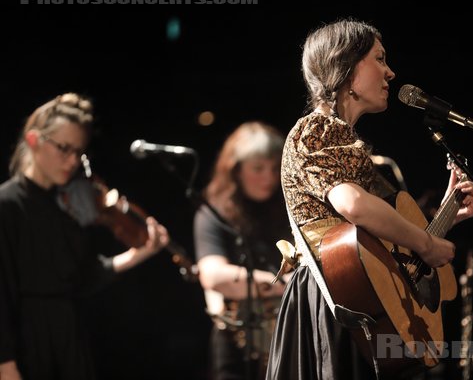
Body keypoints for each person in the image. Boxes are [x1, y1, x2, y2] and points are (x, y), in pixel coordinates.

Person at [265, 18, 473, 380]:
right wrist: (426, 242)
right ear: (345, 66)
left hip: (353, 298)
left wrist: (448, 215)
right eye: (379, 59)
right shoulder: (317, 130)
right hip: (331, 299)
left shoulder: (347, 143)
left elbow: (379, 247)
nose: (390, 72)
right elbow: (354, 206)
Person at [0, 92, 170, 380]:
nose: (72, 161)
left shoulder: (65, 205)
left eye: (79, 152)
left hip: (71, 337)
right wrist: (5, 364)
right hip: (29, 342)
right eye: (63, 148)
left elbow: (81, 278)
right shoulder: (7, 203)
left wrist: (138, 254)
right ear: (33, 141)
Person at [194, 121, 291, 380]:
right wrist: (285, 283)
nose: (269, 178)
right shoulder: (213, 213)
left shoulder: (288, 206)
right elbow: (214, 276)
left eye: (274, 168)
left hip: (289, 331)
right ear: (235, 170)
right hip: (239, 339)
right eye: (258, 168)